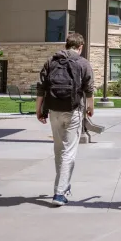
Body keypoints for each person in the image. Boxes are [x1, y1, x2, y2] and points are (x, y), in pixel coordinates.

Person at [36, 32, 95, 207]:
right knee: (69, 152)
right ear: (80, 47)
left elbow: (41, 87)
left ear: (66, 44)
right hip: (73, 110)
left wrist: (38, 110)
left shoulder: (51, 61)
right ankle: (59, 193)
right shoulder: (83, 63)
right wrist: (91, 107)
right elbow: (89, 89)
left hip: (54, 110)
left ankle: (63, 185)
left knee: (58, 149)